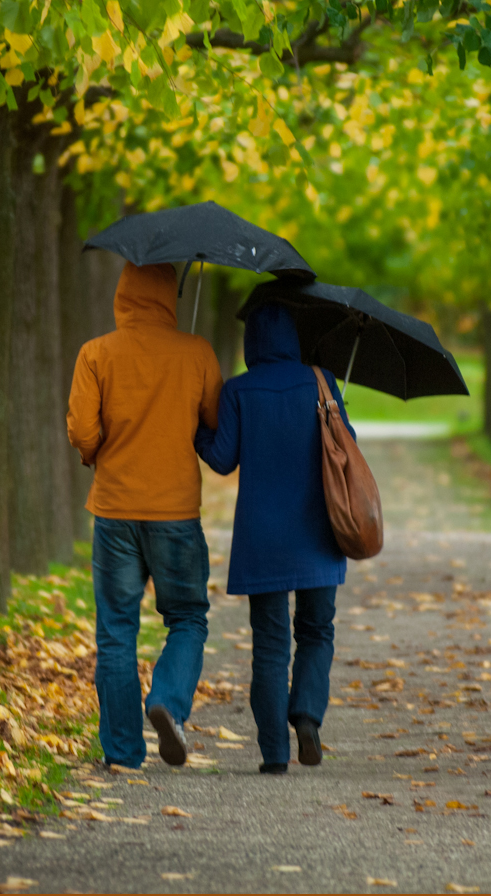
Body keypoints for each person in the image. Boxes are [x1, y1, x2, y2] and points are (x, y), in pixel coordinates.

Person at [67, 262, 223, 769]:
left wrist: (98, 456)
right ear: (168, 298)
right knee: (187, 619)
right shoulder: (197, 351)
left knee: (116, 630)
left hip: (114, 511)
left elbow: (83, 433)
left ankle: (122, 753)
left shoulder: (95, 353)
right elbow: (215, 423)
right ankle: (168, 703)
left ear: (124, 295)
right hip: (175, 512)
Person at [195, 301, 353, 774]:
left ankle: (274, 754)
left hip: (262, 539)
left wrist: (198, 430)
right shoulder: (321, 381)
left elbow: (222, 459)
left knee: (268, 645)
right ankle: (305, 715)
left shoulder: (239, 390)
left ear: (251, 344)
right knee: (317, 630)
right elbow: (348, 449)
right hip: (320, 533)